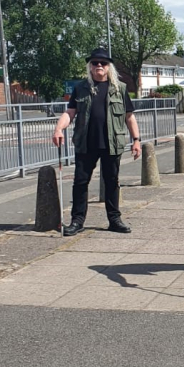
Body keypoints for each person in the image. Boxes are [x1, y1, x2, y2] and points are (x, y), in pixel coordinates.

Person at [52, 48, 141, 236]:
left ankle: (114, 219)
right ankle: (77, 221)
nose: (99, 66)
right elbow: (70, 113)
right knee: (80, 182)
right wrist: (59, 128)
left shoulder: (120, 89)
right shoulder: (81, 87)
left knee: (112, 182)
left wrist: (136, 140)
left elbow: (129, 117)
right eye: (95, 63)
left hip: (112, 143)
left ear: (109, 67)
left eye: (103, 63)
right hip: (86, 143)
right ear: (90, 66)